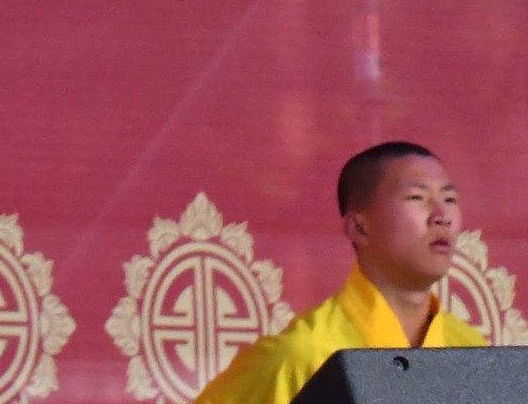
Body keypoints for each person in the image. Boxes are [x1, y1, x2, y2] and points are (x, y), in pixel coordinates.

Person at [192, 143, 484, 404]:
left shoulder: (474, 354)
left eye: (449, 199)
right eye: (416, 197)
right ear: (359, 227)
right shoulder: (302, 357)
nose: (442, 216)